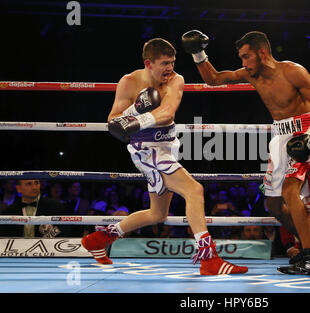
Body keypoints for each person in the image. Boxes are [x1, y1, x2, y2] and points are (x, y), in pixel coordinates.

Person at [81, 38, 247, 276]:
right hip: (147, 149)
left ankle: (99, 238)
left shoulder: (175, 79)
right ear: (149, 63)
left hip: (168, 145)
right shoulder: (129, 82)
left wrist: (136, 119)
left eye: (173, 62)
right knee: (194, 190)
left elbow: (168, 111)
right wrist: (134, 109)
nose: (170, 69)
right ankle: (209, 259)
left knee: (157, 214)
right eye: (165, 63)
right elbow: (113, 121)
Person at [182, 30, 310, 275]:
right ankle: (309, 246)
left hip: (302, 132)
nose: (243, 63)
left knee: (291, 190)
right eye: (241, 58)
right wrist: (198, 53)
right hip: (279, 136)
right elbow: (215, 79)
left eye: (246, 56)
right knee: (272, 204)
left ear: (262, 52)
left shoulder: (293, 71)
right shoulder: (252, 74)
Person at [0, 180, 71, 238]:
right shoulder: (10, 210)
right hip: (17, 251)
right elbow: (4, 235)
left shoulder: (55, 206)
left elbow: (64, 229)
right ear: (19, 188)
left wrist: (44, 241)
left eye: (36, 183)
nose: (34, 187)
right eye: (29, 184)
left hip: (48, 251)